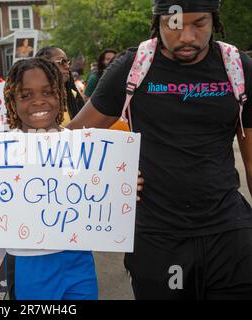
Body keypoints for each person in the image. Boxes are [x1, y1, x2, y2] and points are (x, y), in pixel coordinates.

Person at [68, 0, 252, 300]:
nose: (187, 36)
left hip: (229, 233)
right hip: (158, 238)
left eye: (199, 24)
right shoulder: (133, 67)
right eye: (174, 24)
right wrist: (111, 174)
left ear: (215, 21)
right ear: (157, 22)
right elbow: (74, 138)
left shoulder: (238, 67)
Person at [0, 57, 98, 300]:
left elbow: (97, 191)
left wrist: (125, 186)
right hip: (29, 260)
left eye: (48, 92)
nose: (38, 101)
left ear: (60, 95)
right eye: (26, 95)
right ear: (12, 102)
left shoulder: (82, 145)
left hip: (78, 257)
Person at [36, 46, 85, 124]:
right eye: (62, 62)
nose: (67, 66)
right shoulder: (32, 100)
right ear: (44, 66)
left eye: (67, 62)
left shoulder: (73, 95)